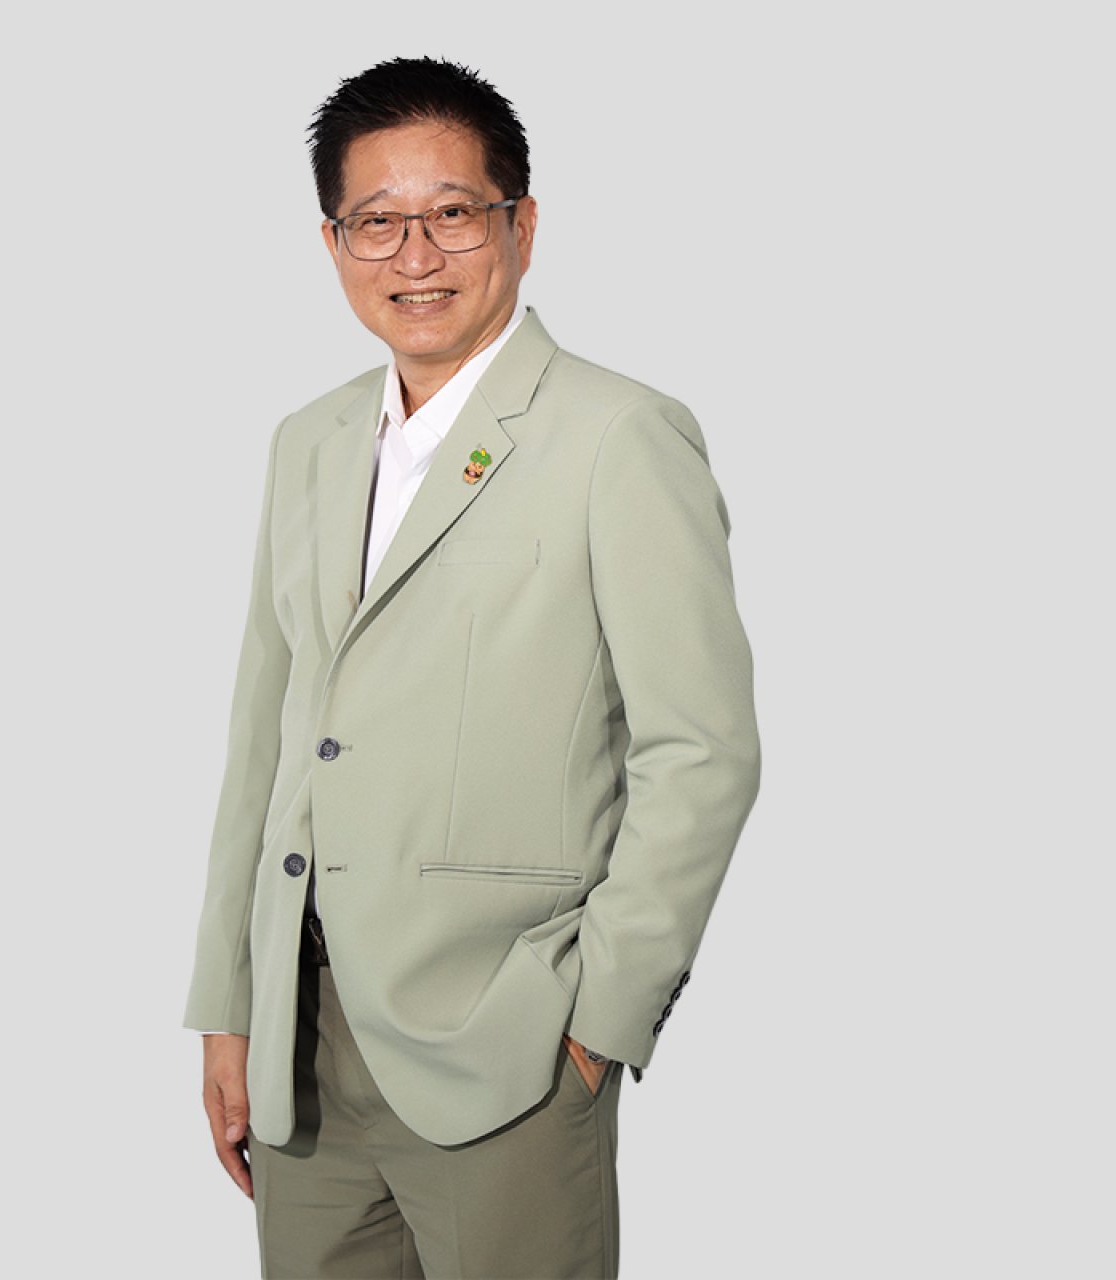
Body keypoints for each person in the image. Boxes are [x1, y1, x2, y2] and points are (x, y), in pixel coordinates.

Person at [183, 56, 761, 1278]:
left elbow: (701, 750)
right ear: (333, 242)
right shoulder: (308, 442)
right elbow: (264, 736)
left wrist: (600, 1018)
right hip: (300, 1047)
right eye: (376, 222)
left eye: (452, 212)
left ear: (522, 225)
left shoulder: (618, 435)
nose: (416, 255)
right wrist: (228, 1001)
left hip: (508, 1042)